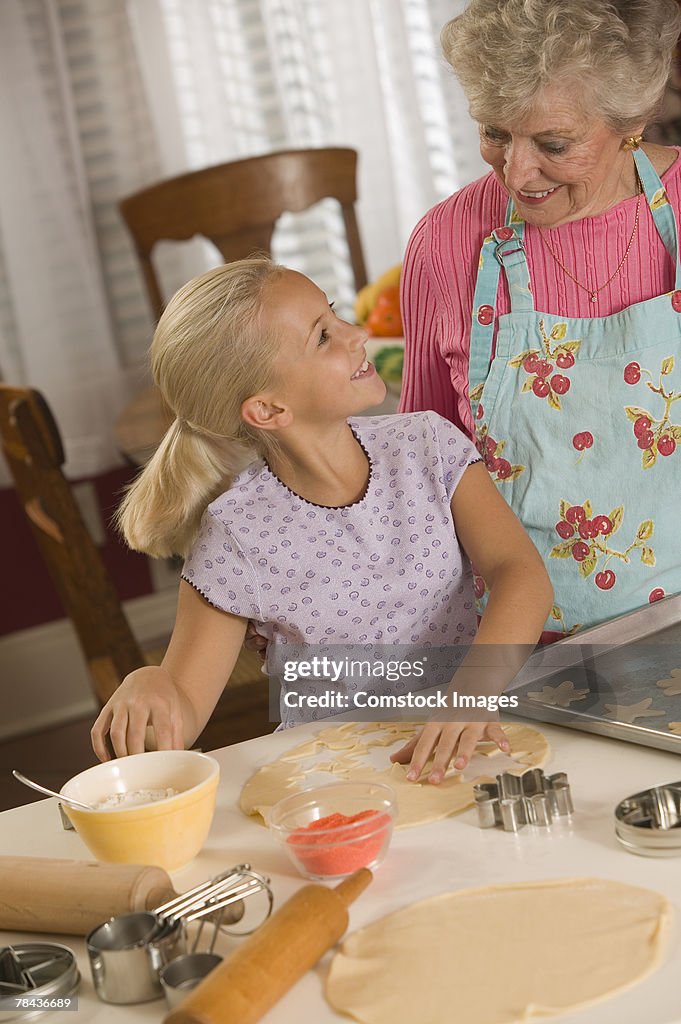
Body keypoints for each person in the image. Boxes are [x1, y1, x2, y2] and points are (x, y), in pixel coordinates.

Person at [91, 258, 552, 781]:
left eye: (334, 314)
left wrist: (471, 695)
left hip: (465, 745)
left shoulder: (429, 445)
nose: (357, 334)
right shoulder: (238, 537)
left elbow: (521, 573)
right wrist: (149, 684)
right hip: (336, 779)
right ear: (268, 410)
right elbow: (182, 712)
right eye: (323, 338)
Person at [399, 0, 681, 642]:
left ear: (630, 120)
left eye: (554, 144)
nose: (517, 173)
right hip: (526, 650)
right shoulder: (445, 242)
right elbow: (423, 464)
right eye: (495, 132)